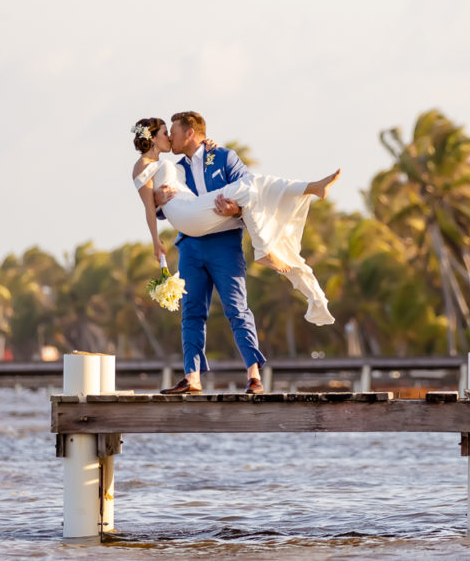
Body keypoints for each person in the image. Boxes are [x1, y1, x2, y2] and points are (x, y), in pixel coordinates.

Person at [131, 112, 339, 394]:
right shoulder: (175, 167)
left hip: (224, 244)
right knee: (191, 313)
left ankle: (254, 376)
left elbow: (252, 196)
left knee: (237, 310)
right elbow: (165, 206)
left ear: (189, 133)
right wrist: (155, 200)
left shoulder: (225, 157)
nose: (171, 137)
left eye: (175, 131)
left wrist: (235, 210)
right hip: (190, 245)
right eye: (167, 133)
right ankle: (192, 377)